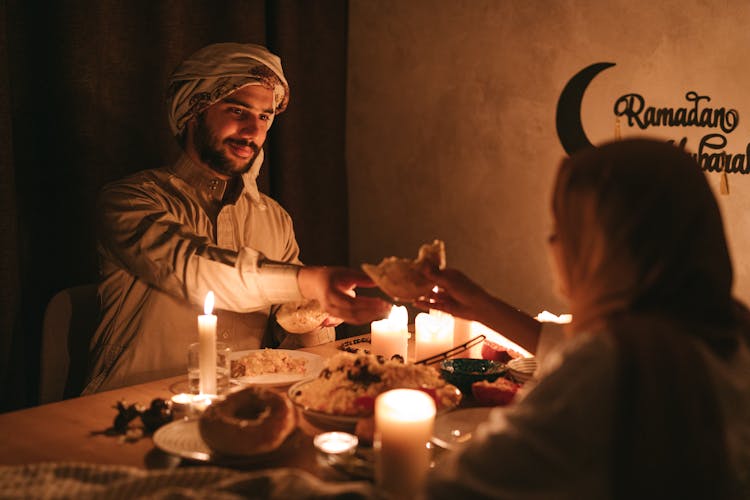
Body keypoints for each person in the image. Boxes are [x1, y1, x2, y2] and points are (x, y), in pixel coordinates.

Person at [419, 138, 750, 499]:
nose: (553, 244)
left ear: (610, 249)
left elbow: (456, 488)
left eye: (566, 230)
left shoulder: (608, 368)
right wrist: (484, 307)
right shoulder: (730, 332)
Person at [83, 43, 389, 394]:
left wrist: (316, 315)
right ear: (194, 112)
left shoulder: (273, 218)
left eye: (264, 117)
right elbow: (192, 267)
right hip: (127, 407)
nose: (252, 130)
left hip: (240, 413)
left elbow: (296, 344)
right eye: (237, 110)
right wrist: (307, 281)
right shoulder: (131, 200)